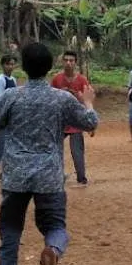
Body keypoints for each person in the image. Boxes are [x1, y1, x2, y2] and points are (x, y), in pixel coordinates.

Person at [0, 42, 99, 265]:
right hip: (49, 174)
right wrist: (89, 102)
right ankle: (53, 250)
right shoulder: (61, 98)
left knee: (10, 229)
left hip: (16, 173)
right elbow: (90, 122)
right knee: (55, 226)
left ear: (24, 67)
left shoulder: (12, 96)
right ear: (50, 67)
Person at [51, 50, 91, 186]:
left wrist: (90, 122)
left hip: (76, 121)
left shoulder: (82, 80)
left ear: (75, 63)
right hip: (60, 121)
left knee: (77, 151)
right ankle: (55, 176)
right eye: (66, 60)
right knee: (54, 149)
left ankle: (81, 178)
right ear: (62, 62)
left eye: (71, 60)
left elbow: (88, 100)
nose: (68, 63)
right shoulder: (56, 79)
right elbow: (50, 100)